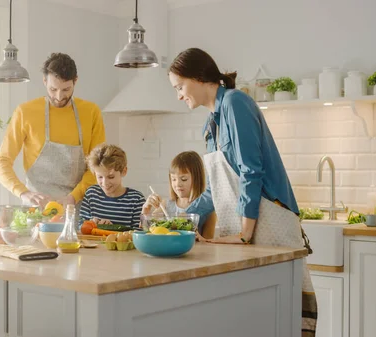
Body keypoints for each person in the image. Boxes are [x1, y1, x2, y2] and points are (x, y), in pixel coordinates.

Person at [168, 48, 317, 337]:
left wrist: (245, 233)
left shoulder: (235, 103)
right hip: (240, 227)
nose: (178, 95)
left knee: (279, 314)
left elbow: (251, 171)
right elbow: (215, 188)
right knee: (252, 315)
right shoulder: (210, 124)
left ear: (198, 77)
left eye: (179, 87)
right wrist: (177, 218)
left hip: (266, 221)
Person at [0, 53, 106, 209]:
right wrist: (23, 193)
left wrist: (73, 198)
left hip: (77, 209)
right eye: (53, 89)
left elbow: (98, 167)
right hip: (35, 209)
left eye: (66, 89)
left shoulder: (91, 112)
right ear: (44, 81)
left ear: (75, 81)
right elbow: (2, 162)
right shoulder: (25, 112)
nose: (59, 96)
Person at [79, 143, 145, 227]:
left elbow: (140, 233)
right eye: (100, 177)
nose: (105, 183)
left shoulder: (136, 199)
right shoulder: (91, 194)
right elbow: (80, 226)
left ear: (124, 171)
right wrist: (90, 224)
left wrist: (112, 229)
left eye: (111, 177)